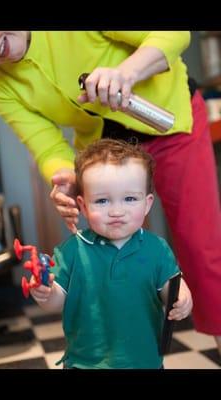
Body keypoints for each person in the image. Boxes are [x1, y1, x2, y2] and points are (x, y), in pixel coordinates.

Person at [0, 31, 220, 356]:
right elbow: (46, 144)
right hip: (104, 149)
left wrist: (127, 72)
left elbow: (173, 34)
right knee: (119, 258)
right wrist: (64, 176)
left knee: (201, 248)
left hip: (169, 119)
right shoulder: (1, 85)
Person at [30, 138, 193, 369]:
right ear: (83, 206)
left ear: (147, 204)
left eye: (129, 198)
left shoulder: (157, 248)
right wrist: (47, 295)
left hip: (144, 360)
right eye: (102, 201)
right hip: (85, 362)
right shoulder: (73, 250)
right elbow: (57, 302)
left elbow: (171, 286)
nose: (117, 211)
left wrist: (182, 297)